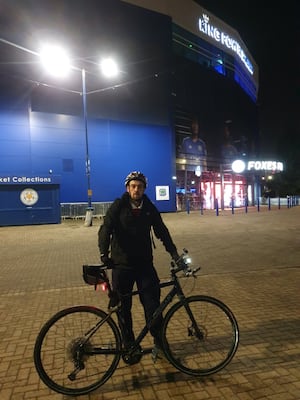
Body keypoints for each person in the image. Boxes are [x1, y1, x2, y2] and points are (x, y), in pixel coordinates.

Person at [98, 171, 179, 361]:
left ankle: (159, 344)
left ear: (144, 189)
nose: (136, 189)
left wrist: (174, 253)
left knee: (153, 306)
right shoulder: (118, 206)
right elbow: (105, 229)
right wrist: (104, 253)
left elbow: (161, 231)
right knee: (123, 309)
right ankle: (129, 346)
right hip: (122, 266)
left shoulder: (149, 207)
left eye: (140, 186)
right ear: (128, 188)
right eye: (133, 186)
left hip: (144, 265)